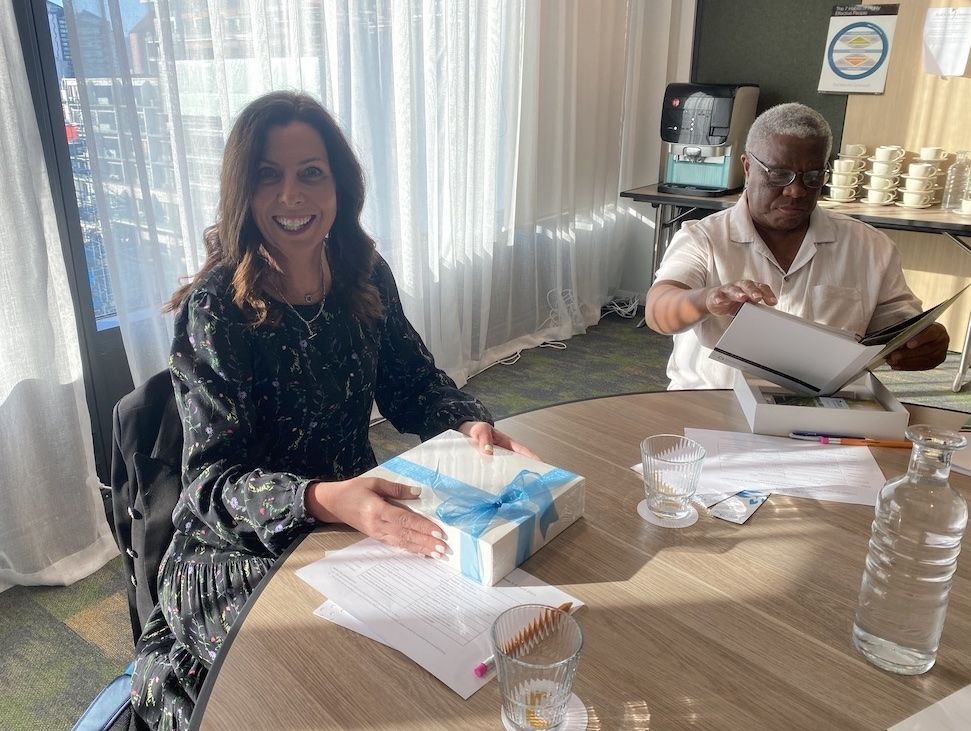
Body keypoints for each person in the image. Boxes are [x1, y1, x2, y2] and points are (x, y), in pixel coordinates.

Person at [131, 90, 534, 729]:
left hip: (353, 524)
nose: (292, 196)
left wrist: (467, 421)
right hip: (239, 553)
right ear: (245, 191)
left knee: (474, 635)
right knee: (345, 688)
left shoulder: (364, 275)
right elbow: (210, 483)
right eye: (269, 176)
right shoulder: (215, 310)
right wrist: (323, 498)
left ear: (339, 186)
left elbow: (415, 384)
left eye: (311, 174)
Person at [643, 102, 949, 390]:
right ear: (747, 167)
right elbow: (659, 312)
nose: (796, 190)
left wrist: (924, 343)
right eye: (779, 174)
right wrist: (709, 299)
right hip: (714, 403)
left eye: (813, 177)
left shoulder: (870, 246)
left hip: (824, 409)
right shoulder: (704, 238)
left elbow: (900, 327)